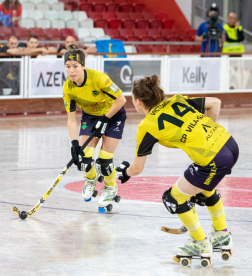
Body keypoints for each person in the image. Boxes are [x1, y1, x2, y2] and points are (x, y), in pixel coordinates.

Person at [116, 75, 237, 267]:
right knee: (204, 188)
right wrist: (209, 131)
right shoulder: (176, 100)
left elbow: (137, 168)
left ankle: (200, 243)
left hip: (213, 159)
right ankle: (222, 235)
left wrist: (125, 173)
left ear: (138, 102)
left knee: (172, 199)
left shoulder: (147, 126)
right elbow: (215, 103)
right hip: (230, 144)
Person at [63, 44, 127, 210]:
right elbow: (71, 119)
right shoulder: (68, 88)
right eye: (68, 67)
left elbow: (121, 99)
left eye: (75, 66)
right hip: (91, 117)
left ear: (83, 66)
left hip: (113, 115)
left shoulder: (99, 78)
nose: (71, 71)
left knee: (105, 160)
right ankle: (91, 179)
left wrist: (106, 118)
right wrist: (74, 143)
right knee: (84, 157)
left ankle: (110, 187)